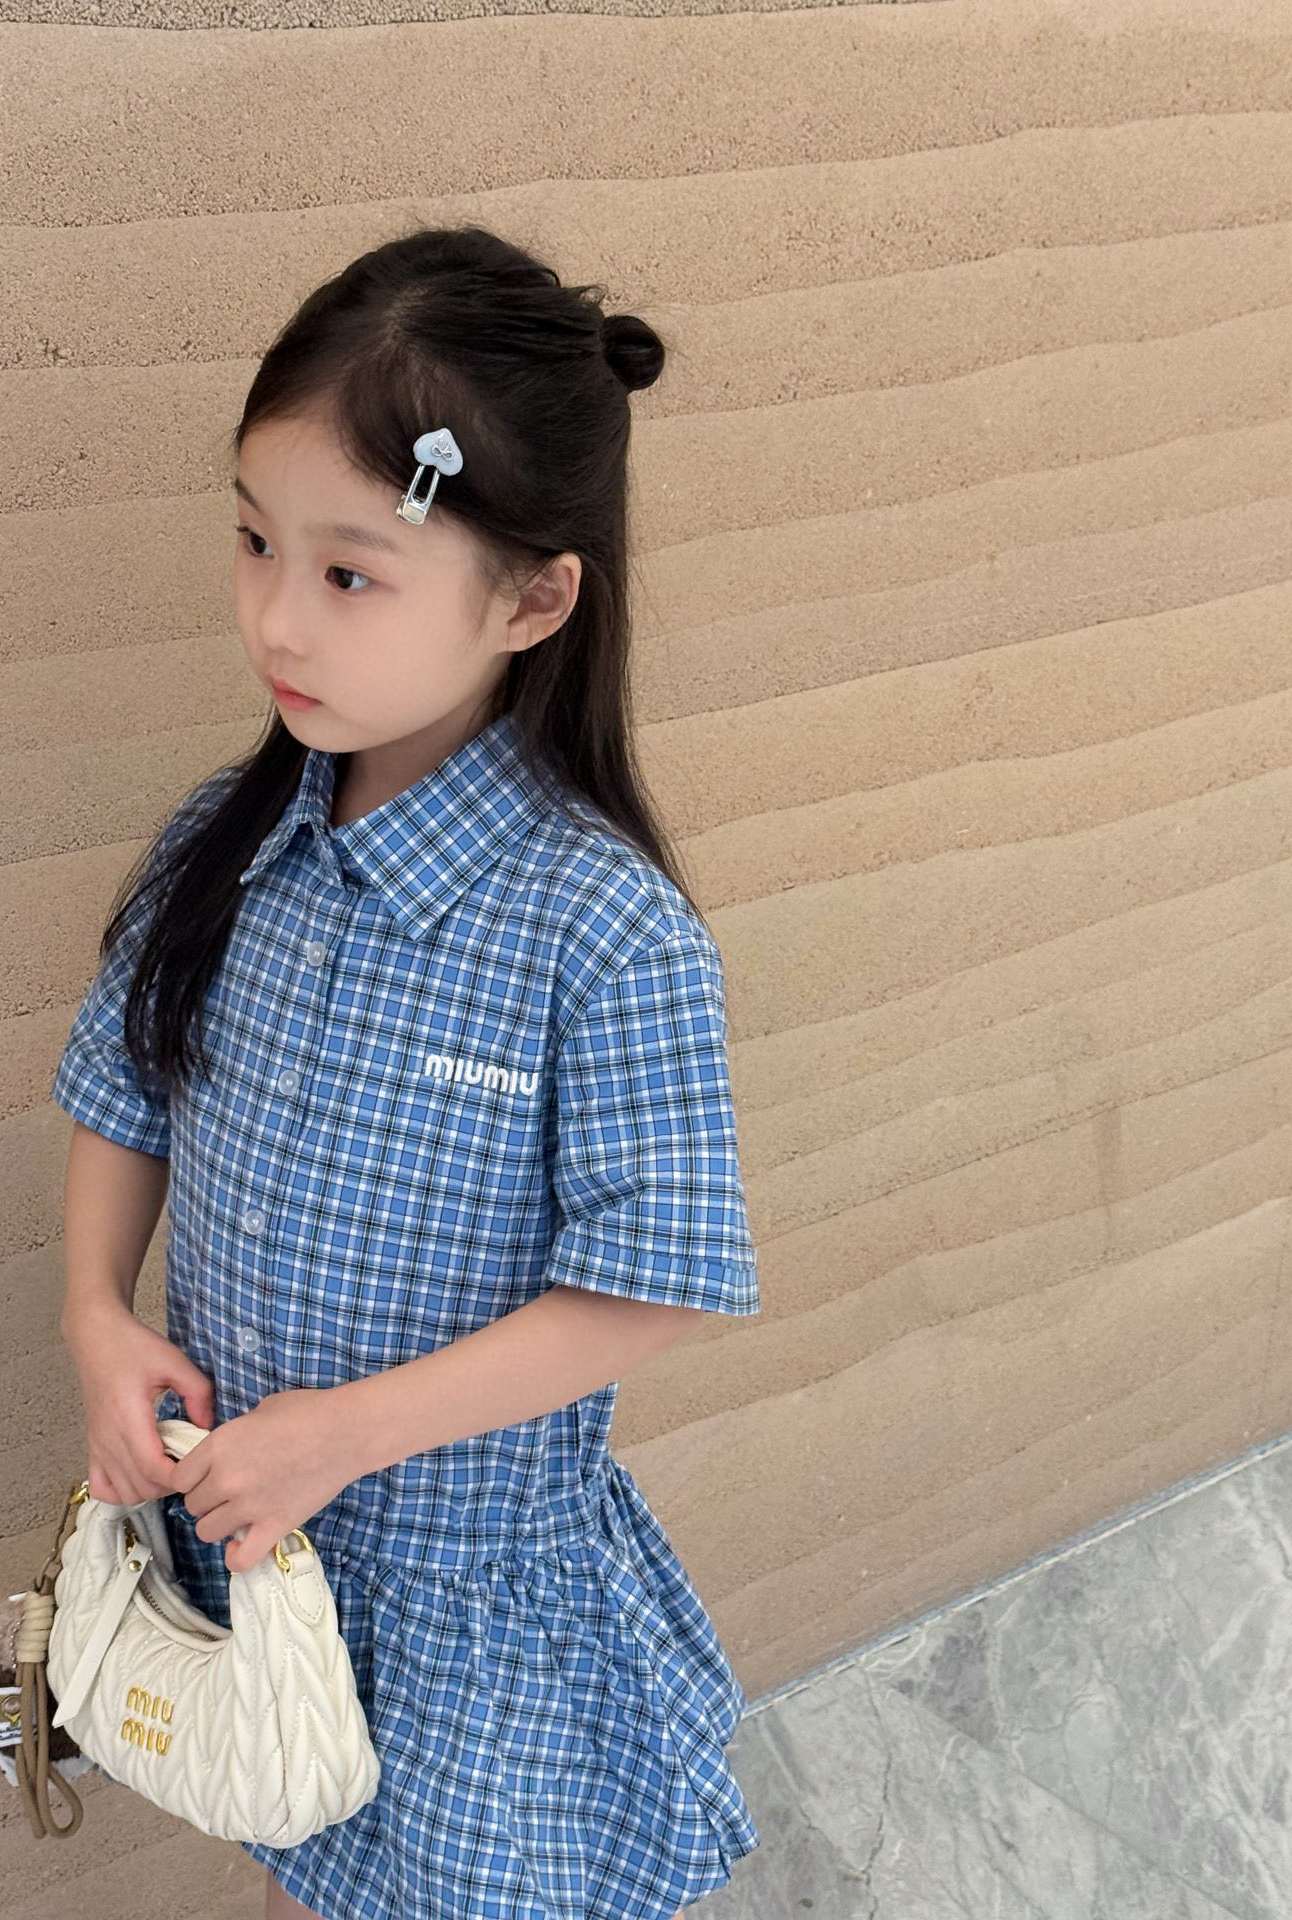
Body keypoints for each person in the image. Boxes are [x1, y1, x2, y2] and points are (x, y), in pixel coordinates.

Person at [53, 222, 762, 1920]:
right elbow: (125, 1097)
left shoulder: (601, 931)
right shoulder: (225, 847)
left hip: (463, 1606)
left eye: (350, 574)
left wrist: (346, 1435)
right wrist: (95, 1315)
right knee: (299, 1864)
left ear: (532, 597)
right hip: (257, 1556)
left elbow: (655, 1283)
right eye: (254, 541)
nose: (276, 618)